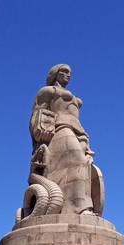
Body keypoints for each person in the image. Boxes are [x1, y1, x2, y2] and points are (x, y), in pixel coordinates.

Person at [29, 64, 98, 215]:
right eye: (64, 72)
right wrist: (40, 139)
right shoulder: (48, 91)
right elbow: (37, 114)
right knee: (78, 161)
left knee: (85, 167)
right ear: (55, 74)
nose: (68, 75)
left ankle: (74, 208)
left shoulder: (75, 98)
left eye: (70, 73)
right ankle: (82, 208)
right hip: (61, 128)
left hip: (79, 132)